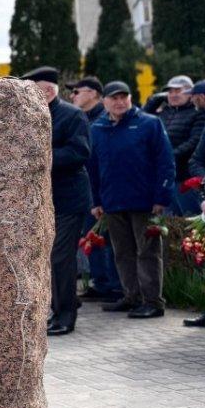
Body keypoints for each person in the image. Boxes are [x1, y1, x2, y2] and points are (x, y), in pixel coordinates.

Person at [88, 82, 176, 320]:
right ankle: (132, 297)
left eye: (123, 97)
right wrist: (96, 201)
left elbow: (166, 162)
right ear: (104, 102)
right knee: (122, 253)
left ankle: (153, 302)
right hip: (113, 202)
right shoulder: (97, 128)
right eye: (114, 98)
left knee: (148, 253)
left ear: (130, 98)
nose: (119, 102)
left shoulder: (150, 124)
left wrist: (161, 197)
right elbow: (93, 168)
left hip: (144, 202)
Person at [23, 68, 91, 337]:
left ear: (49, 90)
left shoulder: (72, 115)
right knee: (47, 259)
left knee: (61, 258)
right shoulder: (31, 114)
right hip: (43, 202)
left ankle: (65, 316)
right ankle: (56, 310)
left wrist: (42, 158)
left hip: (68, 200)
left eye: (34, 89)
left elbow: (80, 152)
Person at [67, 77, 124, 303]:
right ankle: (100, 283)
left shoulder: (104, 118)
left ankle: (114, 286)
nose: (72, 96)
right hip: (87, 187)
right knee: (93, 237)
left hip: (105, 187)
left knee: (108, 239)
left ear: (93, 93)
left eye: (76, 92)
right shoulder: (81, 117)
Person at [154, 75, 205, 215]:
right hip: (168, 176)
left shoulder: (198, 113)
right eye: (170, 91)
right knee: (170, 222)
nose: (173, 95)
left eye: (178, 91)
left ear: (191, 94)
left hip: (186, 176)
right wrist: (157, 99)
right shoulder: (165, 112)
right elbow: (143, 116)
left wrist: (169, 156)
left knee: (190, 217)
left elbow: (194, 141)